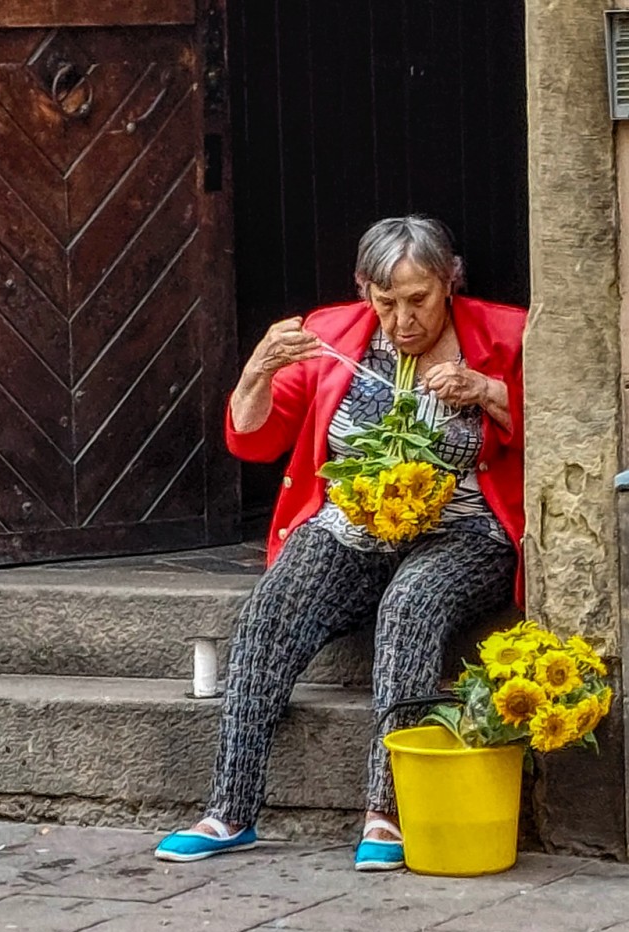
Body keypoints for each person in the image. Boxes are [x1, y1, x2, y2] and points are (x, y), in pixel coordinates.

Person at [154, 216, 526, 871]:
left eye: (420, 300)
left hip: (467, 533)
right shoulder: (332, 337)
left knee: (412, 600)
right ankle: (230, 809)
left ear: (450, 282)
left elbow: (562, 421)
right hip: (356, 527)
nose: (403, 319)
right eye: (386, 302)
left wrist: (488, 391)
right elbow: (253, 436)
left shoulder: (505, 334)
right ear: (364, 290)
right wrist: (256, 371)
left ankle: (387, 813)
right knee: (276, 604)